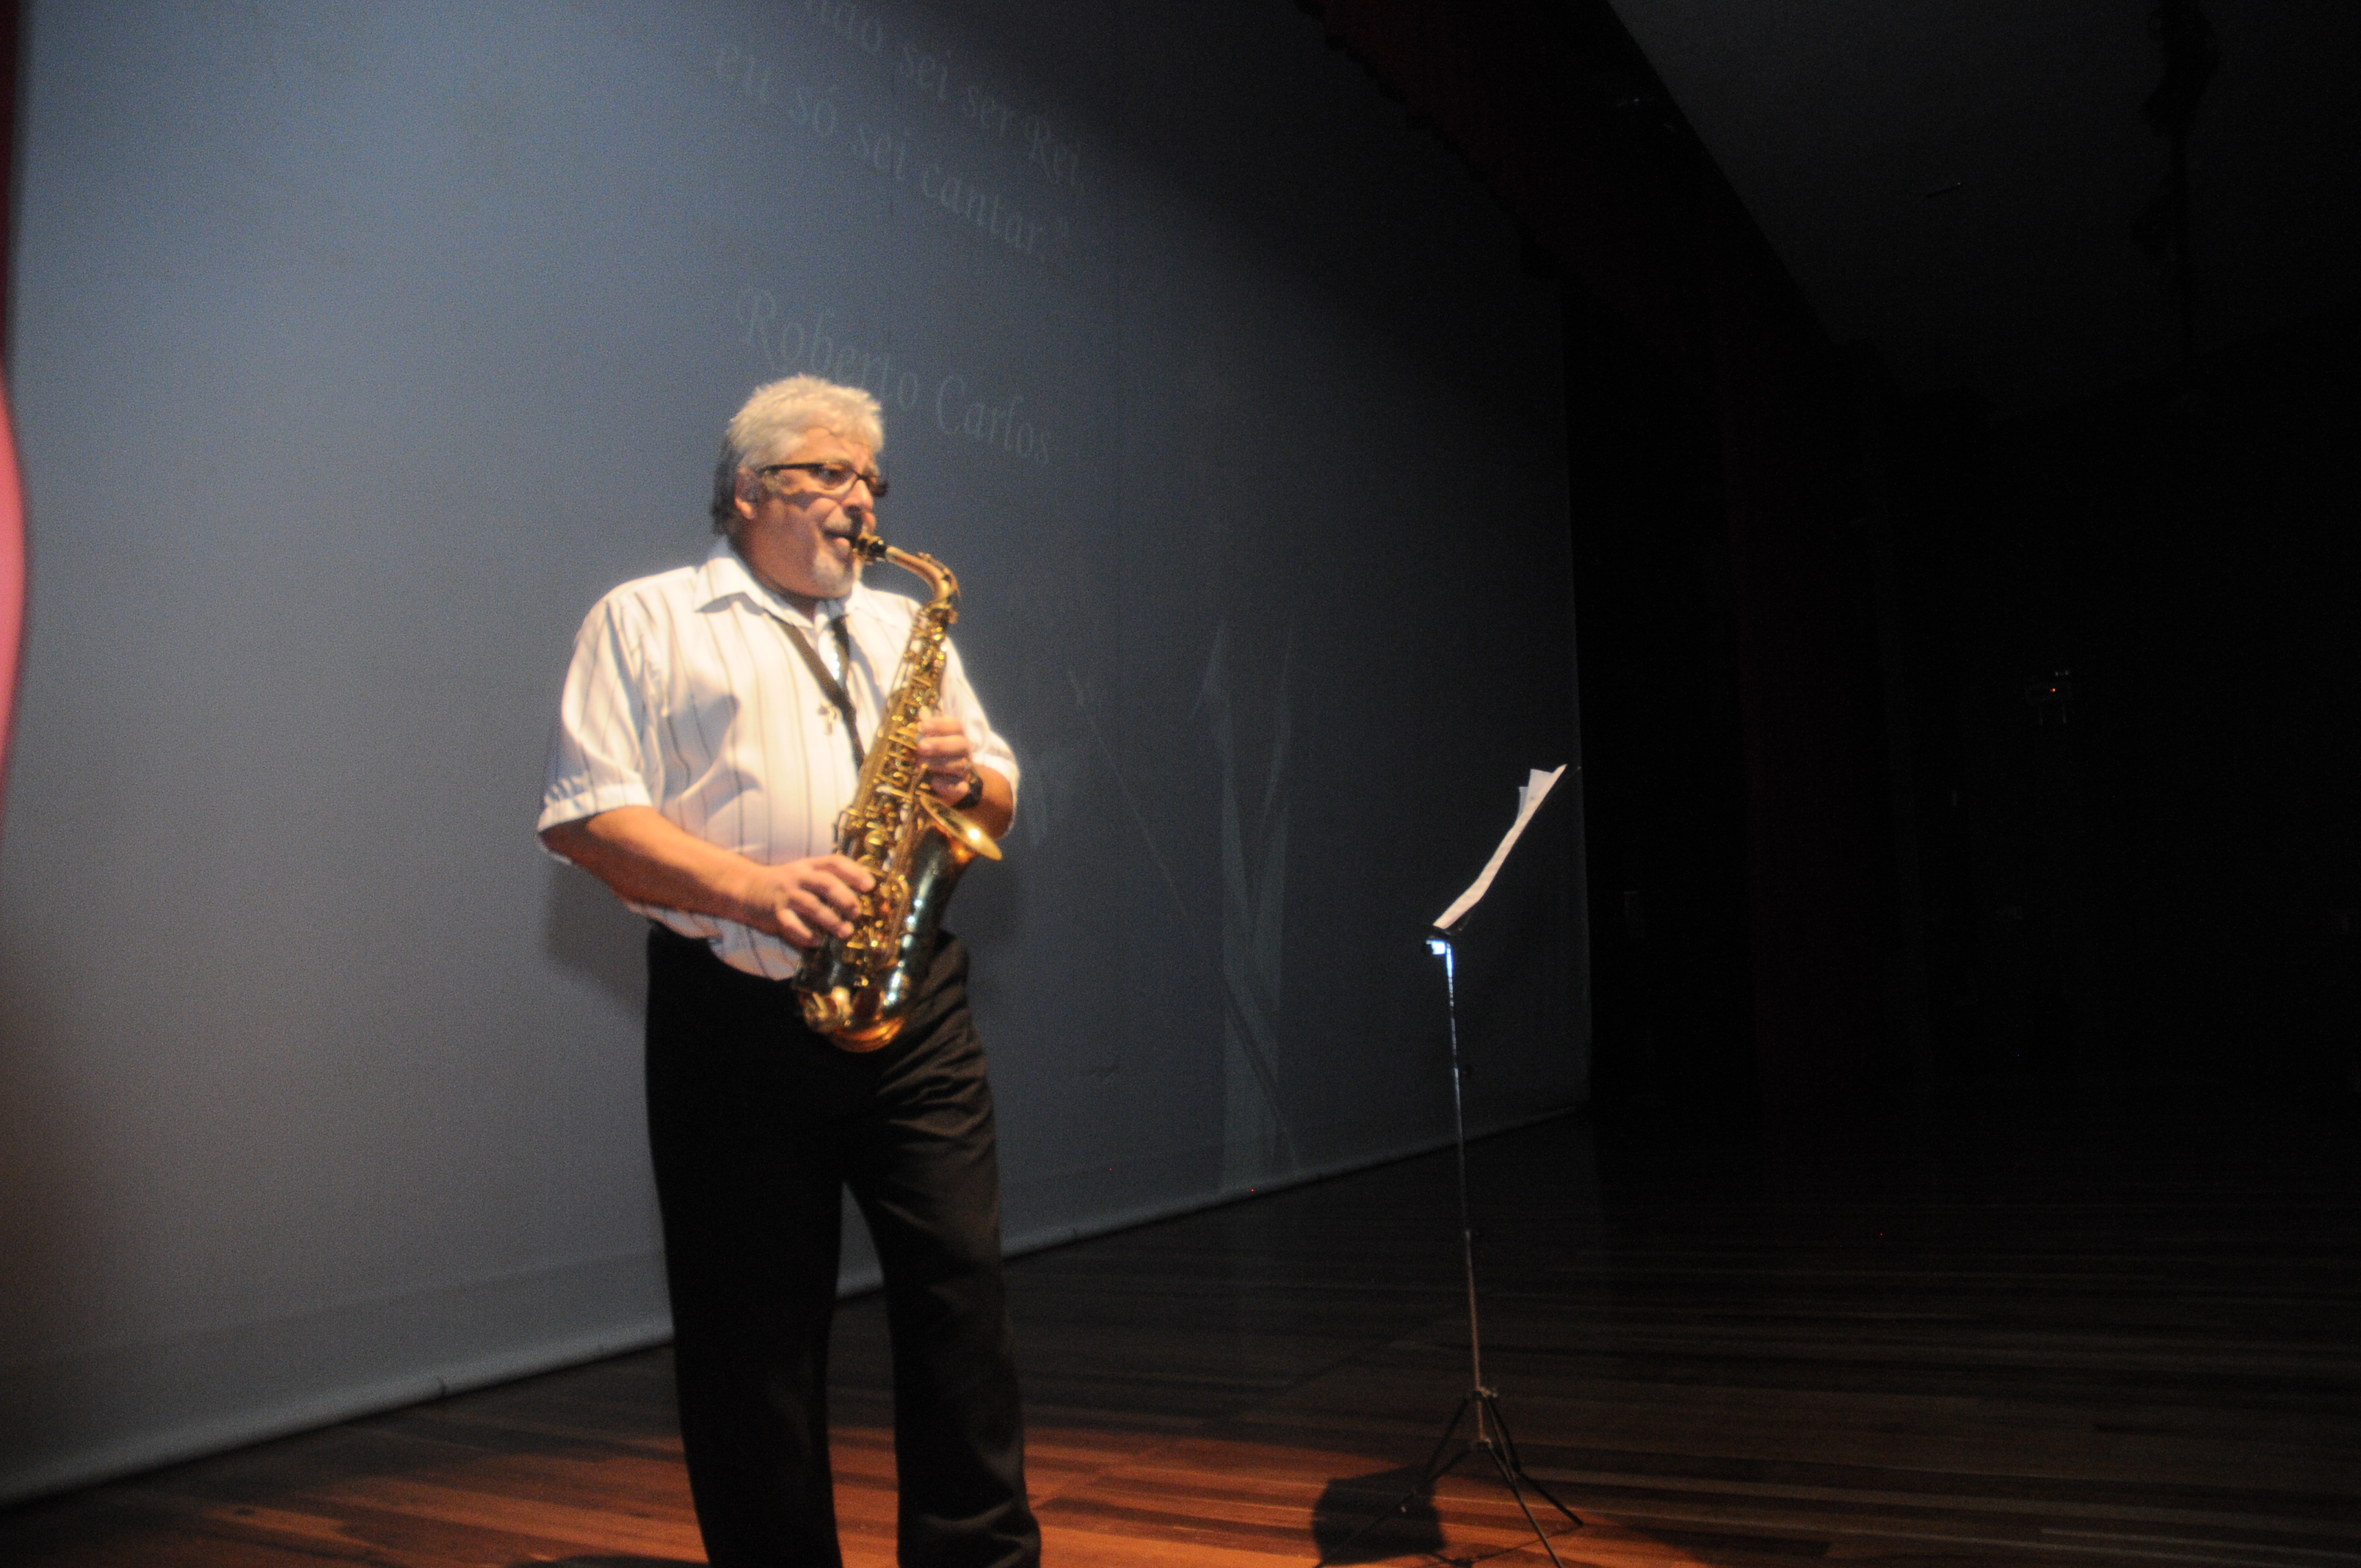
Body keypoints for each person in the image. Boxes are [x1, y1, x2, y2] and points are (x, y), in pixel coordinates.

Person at [537, 374, 1038, 1568]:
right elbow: (587, 818)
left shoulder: (904, 626)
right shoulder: (646, 619)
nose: (862, 499)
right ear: (752, 490)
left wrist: (969, 781)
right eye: (830, 472)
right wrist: (751, 888)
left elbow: (1000, 793)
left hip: (913, 1005)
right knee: (751, 1339)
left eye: (872, 478)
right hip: (734, 1014)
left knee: (962, 1299)